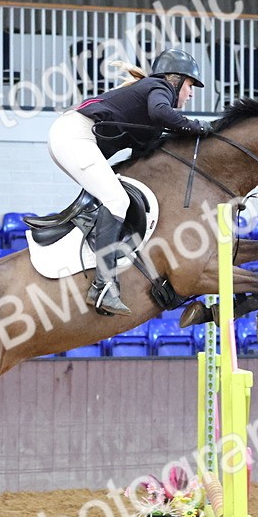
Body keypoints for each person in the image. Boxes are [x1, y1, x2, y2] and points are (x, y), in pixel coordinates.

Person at [48, 48, 211, 316]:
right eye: (191, 85)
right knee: (117, 200)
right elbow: (161, 112)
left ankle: (97, 246)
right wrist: (196, 126)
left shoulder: (148, 109)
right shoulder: (159, 87)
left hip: (70, 138)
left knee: (116, 196)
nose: (191, 94)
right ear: (176, 80)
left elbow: (145, 157)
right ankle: (103, 285)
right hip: (74, 137)